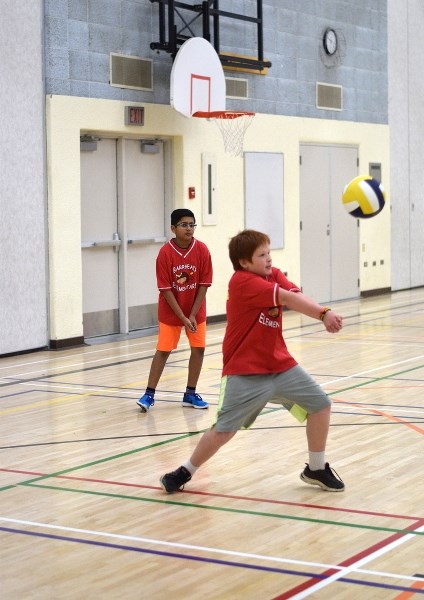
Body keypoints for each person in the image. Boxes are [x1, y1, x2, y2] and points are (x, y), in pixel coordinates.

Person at [160, 229, 345, 492]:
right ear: (245, 262)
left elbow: (297, 296)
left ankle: (316, 468)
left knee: (320, 405)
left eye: (269, 252)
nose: (269, 259)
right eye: (262, 255)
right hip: (244, 372)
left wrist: (320, 310)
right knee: (223, 431)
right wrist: (324, 313)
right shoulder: (242, 282)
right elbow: (288, 298)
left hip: (280, 366)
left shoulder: (272, 274)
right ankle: (184, 472)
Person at [137, 209, 213, 412]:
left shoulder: (202, 250)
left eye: (192, 225)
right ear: (173, 228)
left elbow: (204, 284)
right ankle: (149, 395)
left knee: (199, 349)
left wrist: (192, 315)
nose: (189, 228)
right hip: (171, 312)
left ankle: (190, 393)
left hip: (195, 312)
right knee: (163, 351)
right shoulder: (165, 253)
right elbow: (166, 289)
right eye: (184, 225)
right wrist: (181, 316)